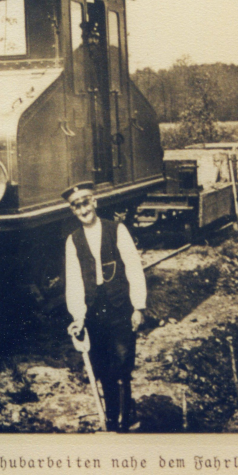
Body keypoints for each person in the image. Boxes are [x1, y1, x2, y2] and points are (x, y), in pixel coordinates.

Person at [63, 181, 147, 432]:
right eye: (76, 206)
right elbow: (74, 280)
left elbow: (133, 268)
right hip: (94, 312)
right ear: (73, 210)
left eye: (85, 202)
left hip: (120, 308)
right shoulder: (73, 240)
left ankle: (127, 416)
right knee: (102, 366)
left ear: (95, 202)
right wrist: (78, 316)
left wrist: (138, 307)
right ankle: (112, 419)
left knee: (122, 362)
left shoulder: (116, 230)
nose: (82, 209)